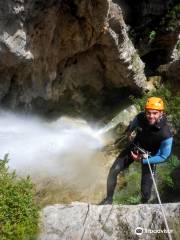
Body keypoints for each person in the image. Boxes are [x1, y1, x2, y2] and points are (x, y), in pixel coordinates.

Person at [100, 97, 173, 204]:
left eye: (155, 113)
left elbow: (164, 156)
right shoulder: (140, 118)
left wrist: (142, 160)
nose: (151, 116)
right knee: (113, 170)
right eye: (148, 113)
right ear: (145, 111)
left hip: (149, 157)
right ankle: (109, 200)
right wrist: (129, 132)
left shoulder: (166, 134)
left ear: (161, 113)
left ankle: (143, 204)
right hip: (135, 148)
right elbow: (133, 125)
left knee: (146, 192)